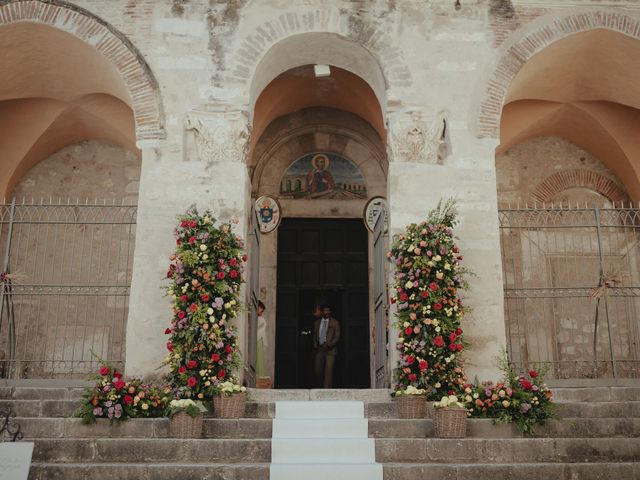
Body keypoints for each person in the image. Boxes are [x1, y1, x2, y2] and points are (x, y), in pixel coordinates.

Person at [312, 304, 341, 388]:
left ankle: (327, 390)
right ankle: (318, 388)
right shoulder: (316, 323)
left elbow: (337, 336)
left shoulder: (335, 322)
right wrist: (314, 342)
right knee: (317, 370)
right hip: (320, 349)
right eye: (325, 310)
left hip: (330, 350)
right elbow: (314, 335)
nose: (327, 312)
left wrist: (330, 344)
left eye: (328, 310)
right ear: (321, 312)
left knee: (329, 371)